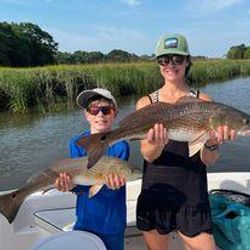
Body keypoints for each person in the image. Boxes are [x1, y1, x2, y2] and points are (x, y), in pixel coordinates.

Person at [136, 33, 237, 250]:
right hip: (156, 190)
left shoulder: (204, 101)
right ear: (158, 64)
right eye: (164, 59)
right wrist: (158, 142)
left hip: (193, 191)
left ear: (187, 61)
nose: (170, 65)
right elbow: (148, 155)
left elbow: (208, 159)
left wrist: (211, 141)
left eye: (177, 59)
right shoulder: (146, 103)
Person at [54, 88, 130, 250]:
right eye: (94, 110)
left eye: (106, 110)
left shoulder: (120, 146)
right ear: (86, 115)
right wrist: (70, 186)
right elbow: (81, 186)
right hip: (85, 220)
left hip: (113, 223)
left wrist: (113, 184)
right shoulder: (77, 143)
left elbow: (114, 183)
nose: (100, 115)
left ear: (114, 113)